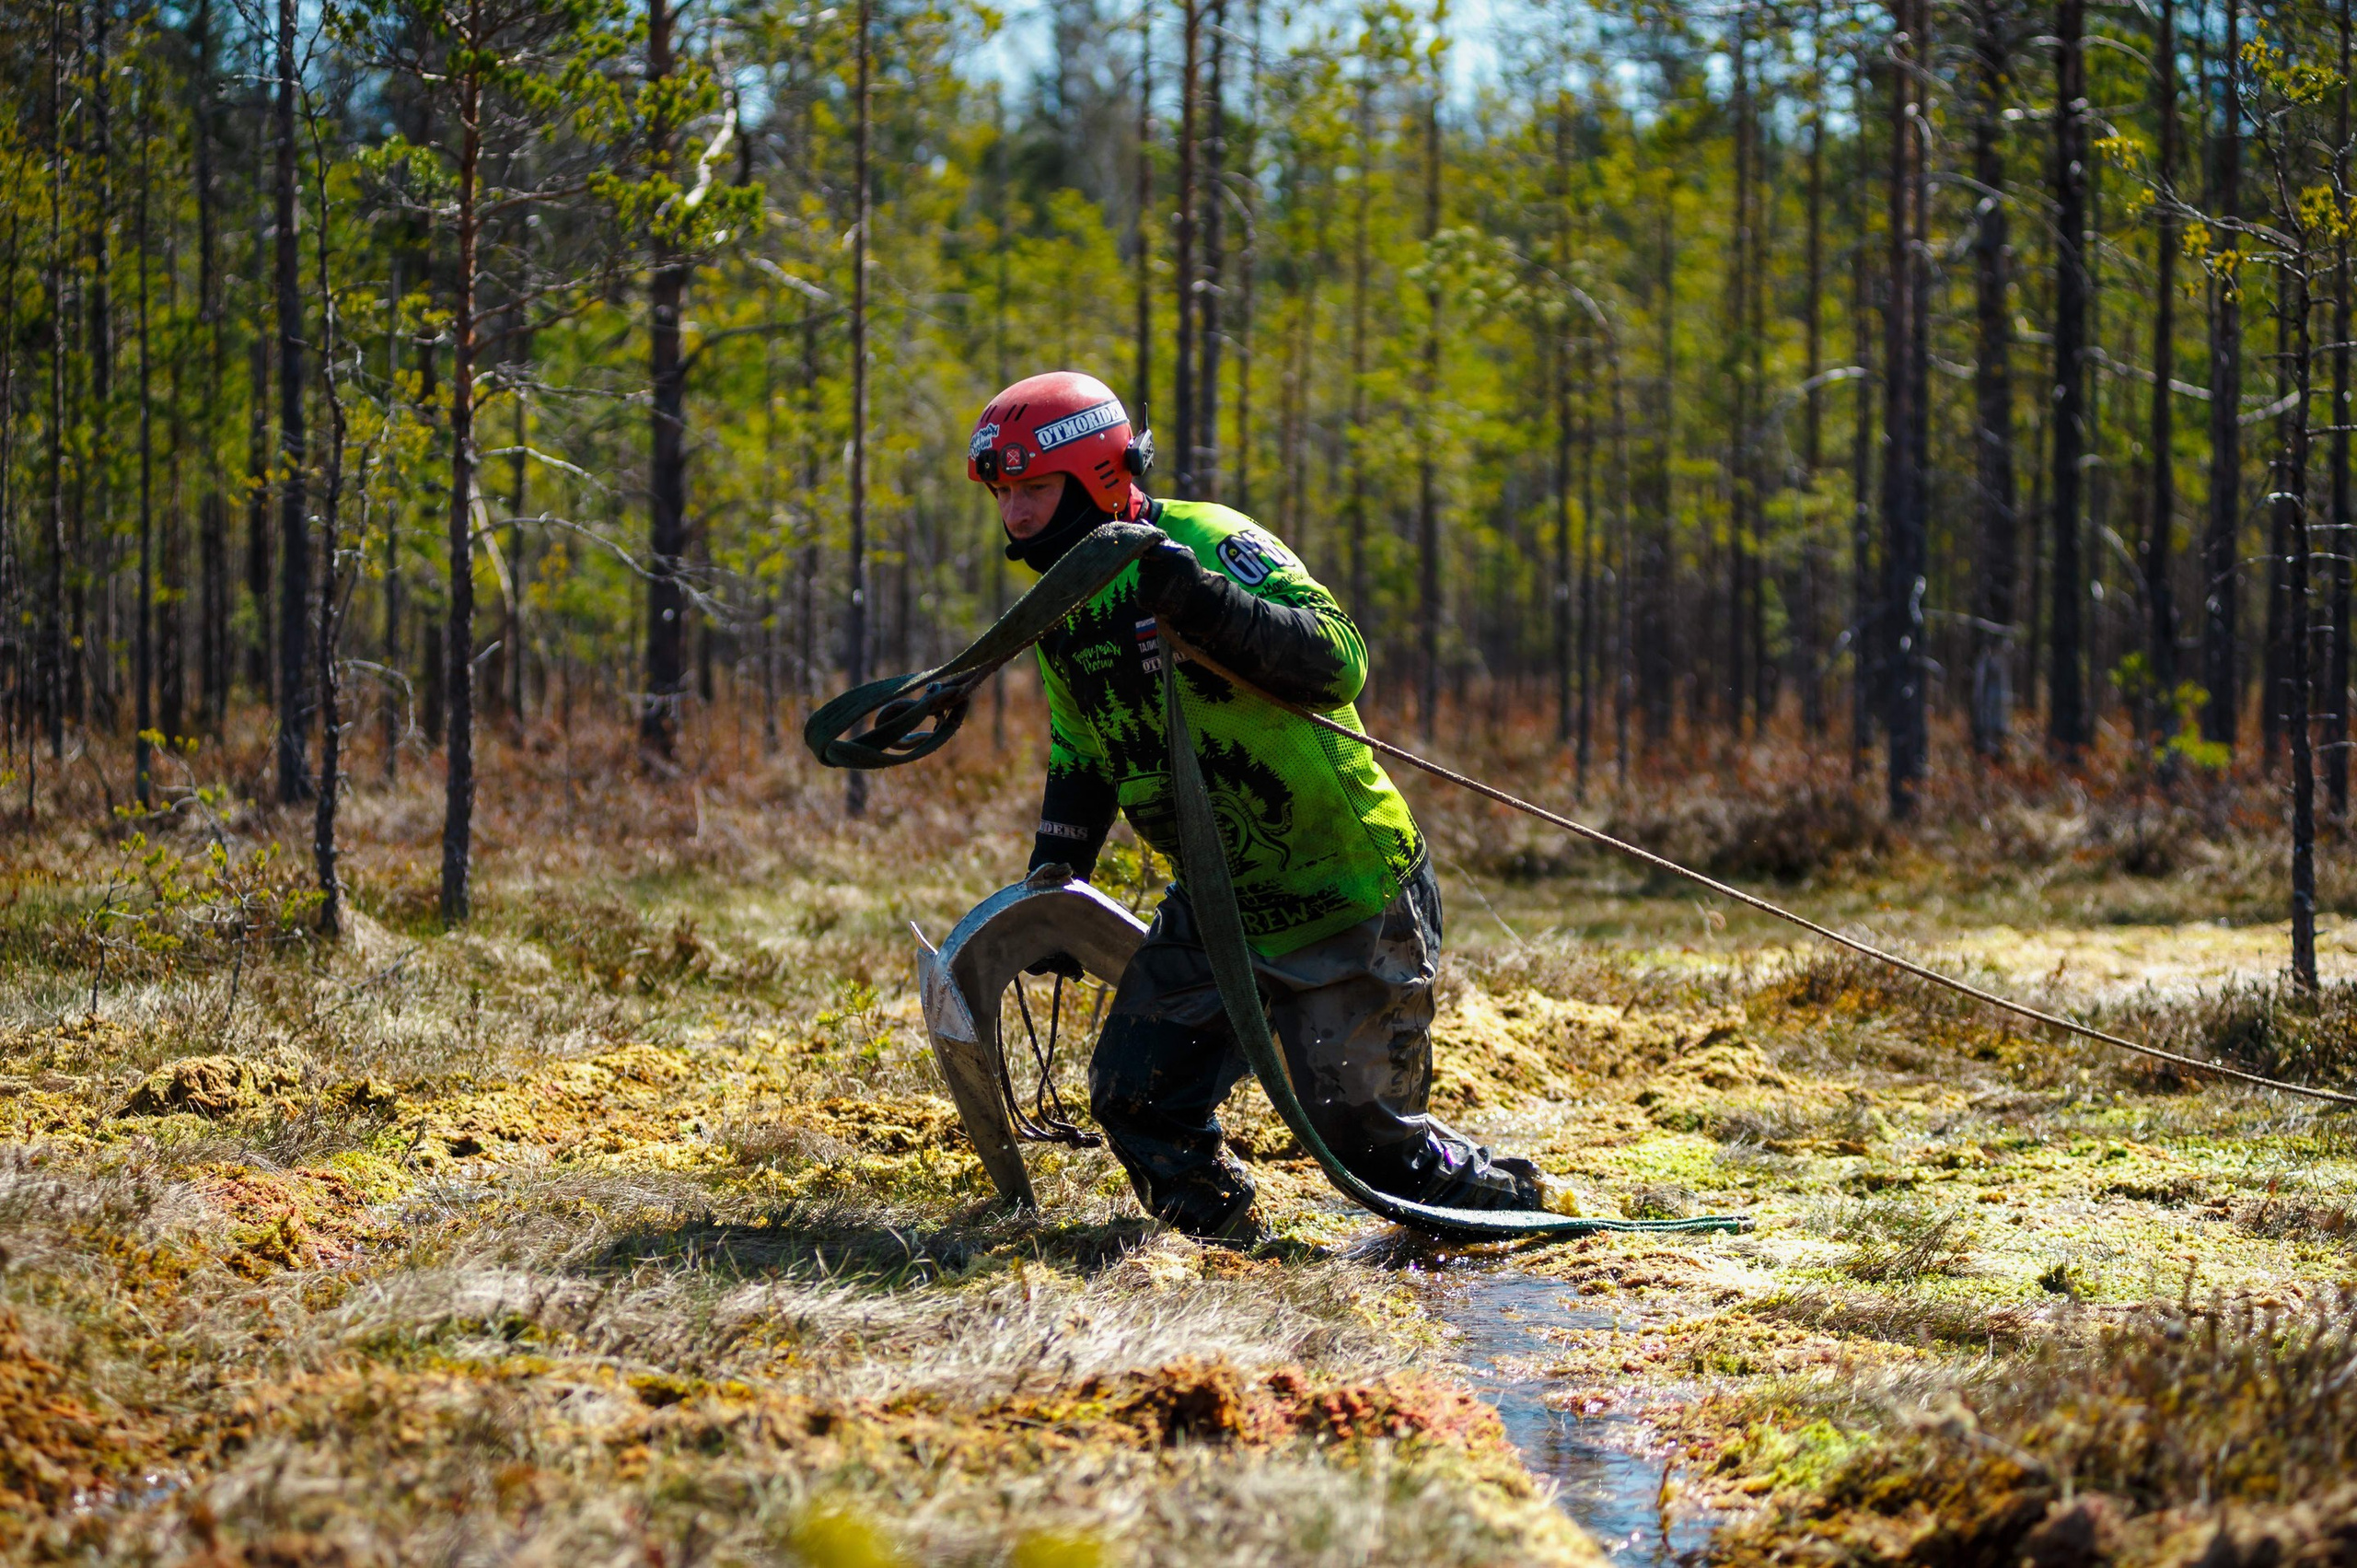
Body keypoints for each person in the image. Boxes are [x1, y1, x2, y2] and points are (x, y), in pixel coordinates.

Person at [970, 369, 1566, 1241]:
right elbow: (1081, 748)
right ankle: (1228, 1256)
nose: (1016, 514)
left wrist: (1198, 599)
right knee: (1137, 1098)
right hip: (1216, 906)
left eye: (1031, 488)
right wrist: (1054, 884)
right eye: (1003, 494)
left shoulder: (1207, 538)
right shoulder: (1060, 604)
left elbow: (1338, 661)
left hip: (1349, 891)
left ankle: (1525, 1212)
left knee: (1370, 1151)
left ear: (1097, 472)